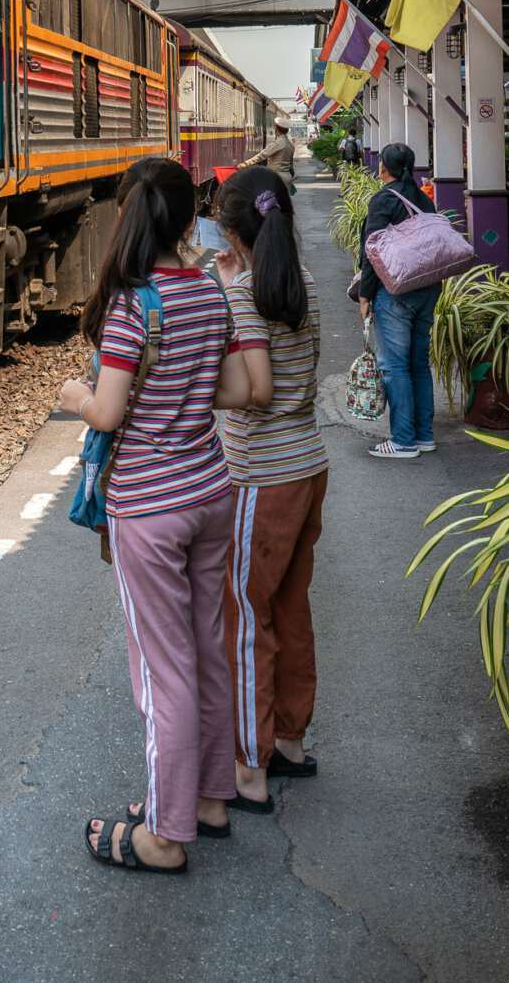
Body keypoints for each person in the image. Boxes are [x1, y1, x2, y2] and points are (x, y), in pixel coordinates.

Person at [60, 157, 250, 875]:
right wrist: (185, 385)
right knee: (205, 651)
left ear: (129, 214)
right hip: (210, 491)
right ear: (186, 217)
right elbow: (234, 389)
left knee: (162, 672)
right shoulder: (207, 289)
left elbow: (107, 412)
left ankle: (165, 836)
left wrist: (76, 396)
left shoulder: (133, 305)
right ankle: (209, 800)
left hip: (150, 508)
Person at [213, 167, 327, 814]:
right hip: (308, 465)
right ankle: (289, 741)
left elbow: (254, 395)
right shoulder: (300, 281)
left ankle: (248, 769)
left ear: (231, 232)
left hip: (261, 475)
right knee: (289, 607)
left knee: (243, 619)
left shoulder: (242, 294)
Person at [357, 141, 439, 460]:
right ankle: (424, 435)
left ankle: (404, 441)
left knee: (394, 366)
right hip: (427, 288)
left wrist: (365, 295)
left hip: (396, 292)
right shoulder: (423, 199)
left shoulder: (384, 199)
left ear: (383, 168)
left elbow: (373, 251)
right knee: (418, 363)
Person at [240, 119, 295, 187]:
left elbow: (262, 155)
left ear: (277, 129)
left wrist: (245, 164)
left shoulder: (278, 143)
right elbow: (291, 165)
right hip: (287, 176)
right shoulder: (290, 145)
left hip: (276, 177)